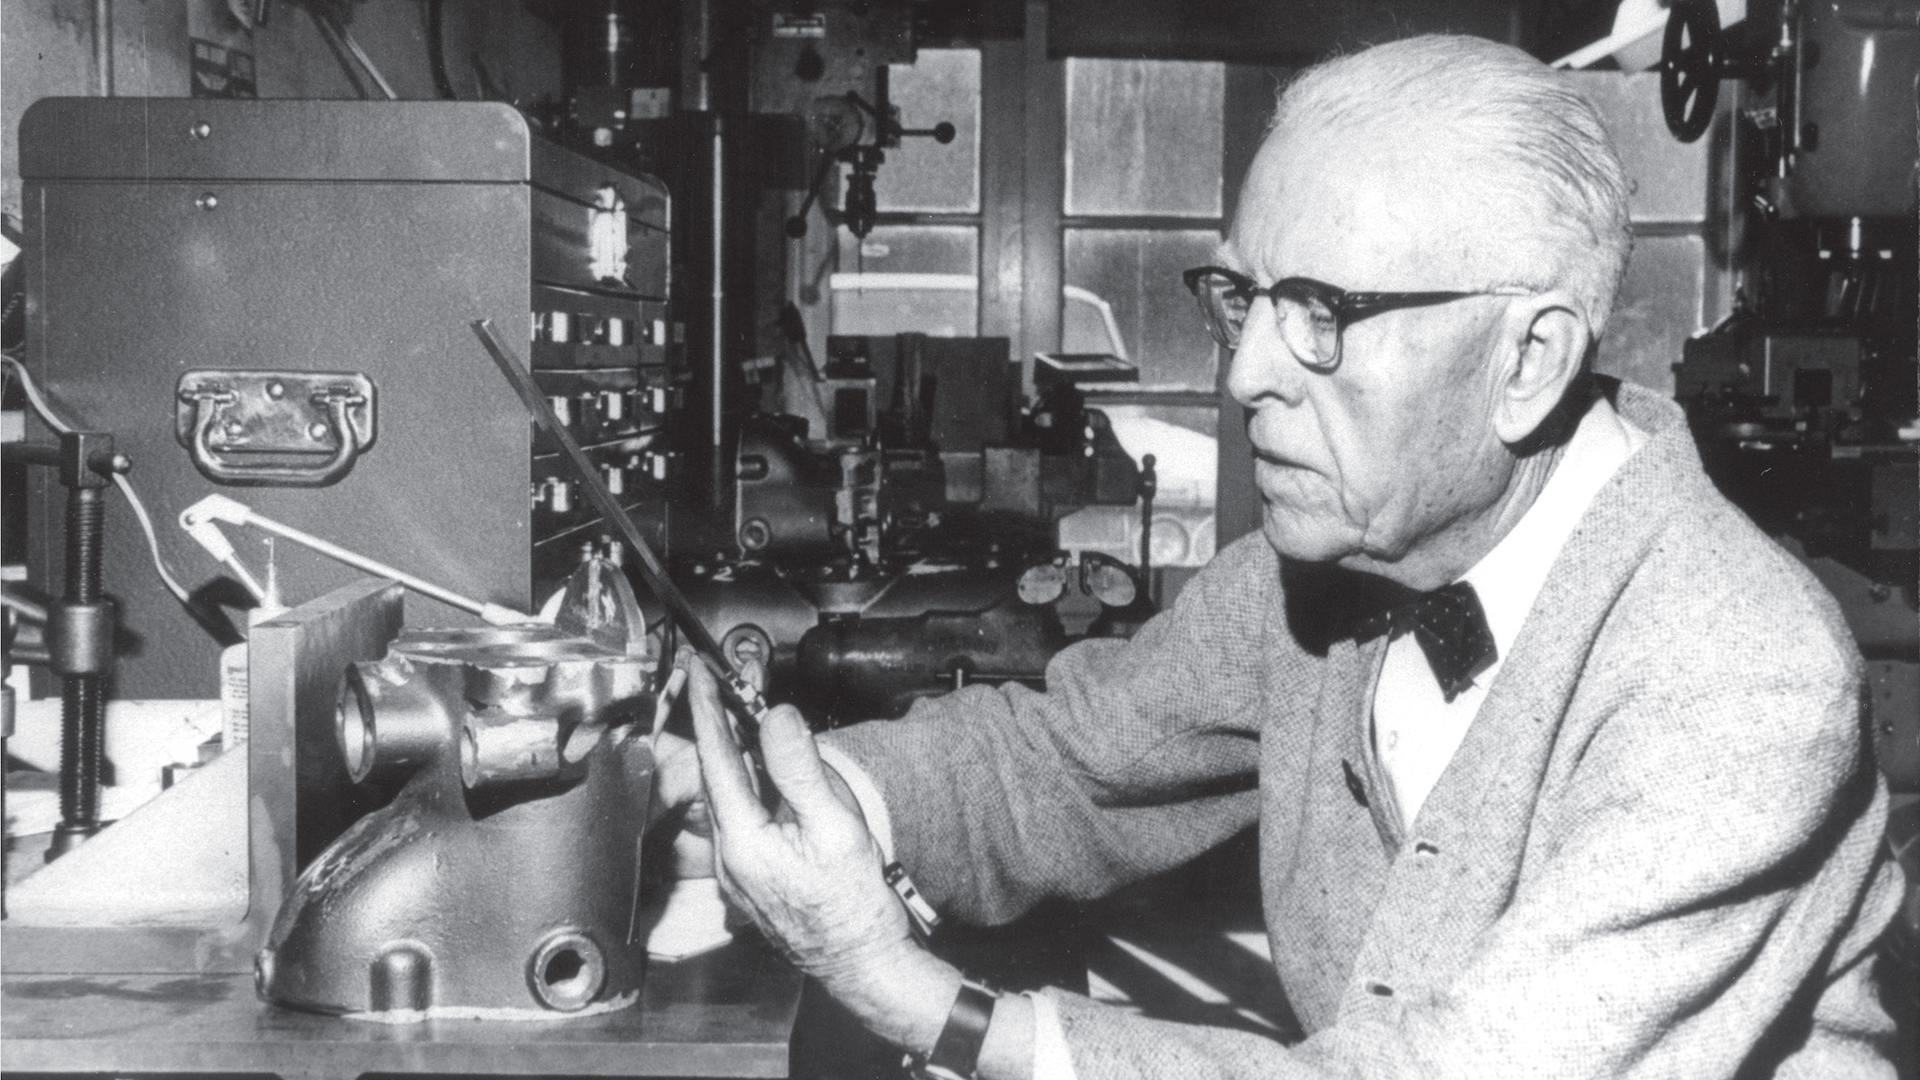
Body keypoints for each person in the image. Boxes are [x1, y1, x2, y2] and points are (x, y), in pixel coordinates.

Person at [653, 33, 1904, 1079]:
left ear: (1527, 360)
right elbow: (1067, 764)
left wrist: (929, 1004)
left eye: (1325, 313)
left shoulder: (1739, 675)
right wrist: (819, 800)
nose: (1247, 372)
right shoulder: (1322, 572)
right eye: (1244, 300)